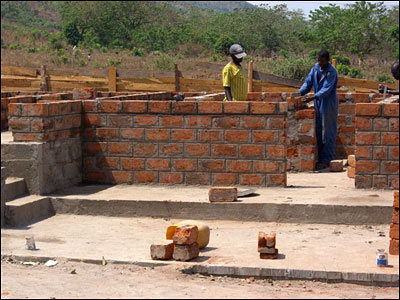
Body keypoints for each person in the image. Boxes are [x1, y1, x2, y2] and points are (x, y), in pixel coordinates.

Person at [299, 49, 338, 170]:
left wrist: (312, 96)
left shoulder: (332, 72)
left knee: (328, 131)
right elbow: (308, 82)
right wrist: (299, 93)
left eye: (322, 61)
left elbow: (326, 89)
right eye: (318, 61)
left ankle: (327, 160)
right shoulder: (315, 68)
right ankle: (320, 159)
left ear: (327, 60)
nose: (320, 63)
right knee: (319, 130)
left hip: (328, 103)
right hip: (317, 102)